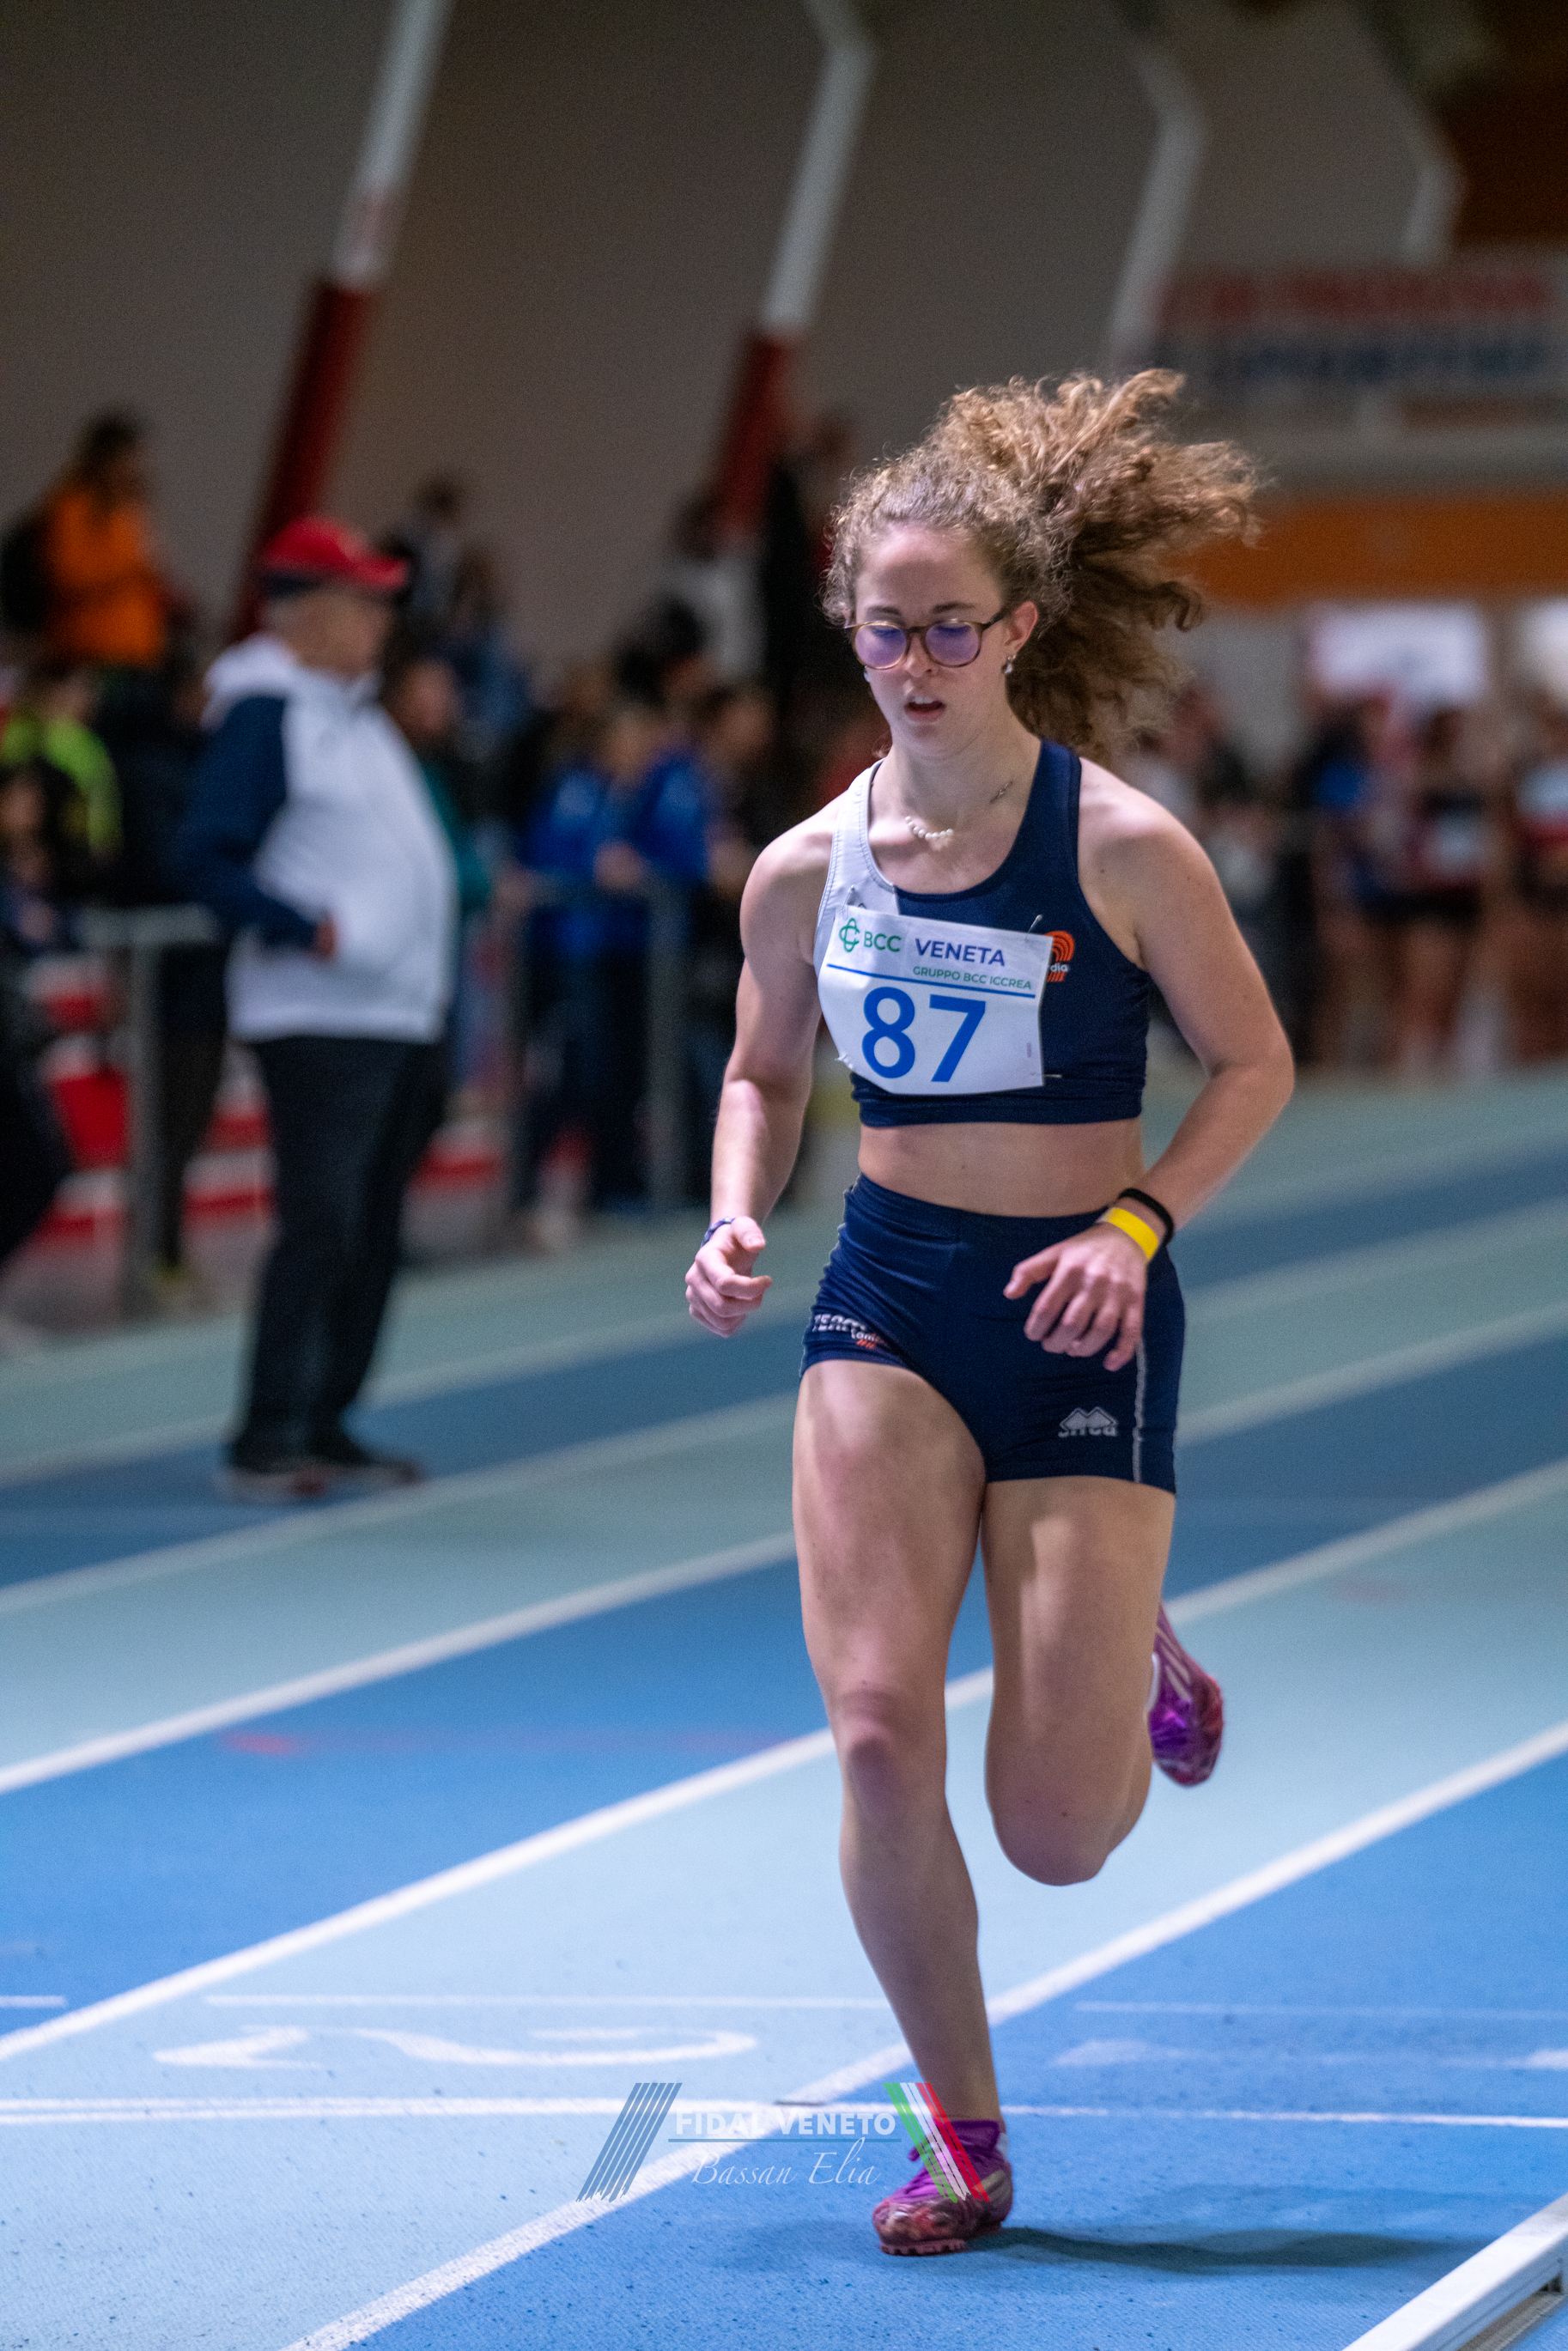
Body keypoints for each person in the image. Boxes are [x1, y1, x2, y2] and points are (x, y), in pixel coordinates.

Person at [684, 374, 1293, 2257]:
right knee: (876, 1730)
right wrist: (734, 1204)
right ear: (851, 632)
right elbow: (762, 1069)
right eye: (889, 630)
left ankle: (1132, 1650)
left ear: (1020, 627)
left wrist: (1137, 1221)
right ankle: (962, 2133)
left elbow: (1255, 1063)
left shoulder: (1121, 844)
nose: (920, 664)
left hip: (1082, 1311)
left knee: (1055, 1829)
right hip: (888, 1295)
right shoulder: (806, 867)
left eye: (954, 628)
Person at [176, 517, 457, 1499]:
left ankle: (326, 1414)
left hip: (394, 1012)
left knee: (369, 1228)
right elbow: (206, 854)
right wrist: (307, 928)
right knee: (324, 1222)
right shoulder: (266, 714)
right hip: (323, 1015)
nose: (380, 621)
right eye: (362, 602)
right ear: (305, 610)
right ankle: (269, 1430)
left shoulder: (351, 714)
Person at [40, 412, 169, 673]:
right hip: (89, 651)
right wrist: (131, 566)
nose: (137, 468)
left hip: (137, 653)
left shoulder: (132, 508)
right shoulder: (73, 506)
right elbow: (68, 575)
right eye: (129, 459)